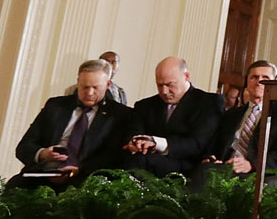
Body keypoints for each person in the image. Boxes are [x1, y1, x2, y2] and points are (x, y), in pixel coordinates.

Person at [12, 59, 132, 189]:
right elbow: (24, 147)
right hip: (41, 175)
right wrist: (43, 154)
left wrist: (80, 169)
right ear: (78, 82)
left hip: (85, 180)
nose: (89, 93)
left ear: (108, 84)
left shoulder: (119, 115)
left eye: (96, 87)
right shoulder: (55, 106)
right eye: (85, 87)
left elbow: (113, 157)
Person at [123, 56, 224, 177]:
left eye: (169, 85)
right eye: (159, 85)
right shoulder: (145, 105)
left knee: (139, 162)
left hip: (187, 165)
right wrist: (135, 143)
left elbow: (197, 144)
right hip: (146, 160)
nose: (164, 91)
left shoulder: (209, 102)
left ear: (186, 76)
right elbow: (134, 133)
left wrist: (156, 143)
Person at [200, 61, 277, 182]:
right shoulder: (232, 114)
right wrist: (212, 157)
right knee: (202, 172)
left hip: (258, 171)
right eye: (254, 77)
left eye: (265, 78)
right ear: (247, 82)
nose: (259, 82)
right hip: (226, 165)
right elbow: (217, 143)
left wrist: (251, 165)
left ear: (275, 84)